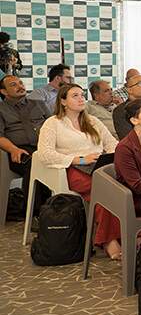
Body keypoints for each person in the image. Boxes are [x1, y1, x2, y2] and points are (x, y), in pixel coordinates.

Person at [37, 84, 119, 258]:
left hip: (99, 166)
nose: (81, 98)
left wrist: (108, 156)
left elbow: (112, 144)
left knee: (125, 189)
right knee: (104, 193)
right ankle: (109, 240)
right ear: (63, 101)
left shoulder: (92, 121)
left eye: (82, 95)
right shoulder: (53, 123)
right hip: (73, 168)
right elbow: (44, 154)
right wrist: (79, 159)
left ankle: (133, 235)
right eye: (75, 96)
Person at [0, 75, 51, 212]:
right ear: (4, 92)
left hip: (44, 146)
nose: (20, 86)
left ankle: (60, 208)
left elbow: (54, 125)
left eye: (21, 83)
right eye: (13, 85)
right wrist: (13, 149)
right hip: (19, 150)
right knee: (34, 164)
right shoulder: (1, 109)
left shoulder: (39, 103)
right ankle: (34, 213)